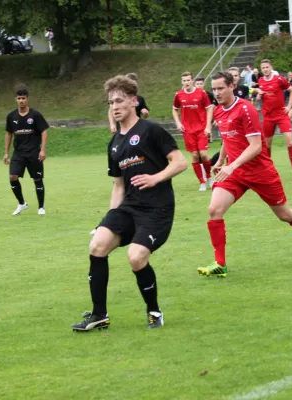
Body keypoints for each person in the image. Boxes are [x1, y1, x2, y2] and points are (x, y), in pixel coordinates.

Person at [72, 75, 188, 332]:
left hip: (157, 209)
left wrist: (155, 177)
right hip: (129, 208)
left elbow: (180, 162)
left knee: (135, 257)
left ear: (134, 101)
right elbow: (119, 186)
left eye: (120, 100)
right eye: (111, 102)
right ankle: (99, 315)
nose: (115, 106)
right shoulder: (114, 144)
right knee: (97, 245)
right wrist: (109, 218)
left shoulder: (151, 130)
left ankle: (154, 312)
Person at [196, 71, 292, 278]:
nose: (217, 93)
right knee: (214, 209)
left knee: (284, 215)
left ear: (232, 86)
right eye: (214, 89)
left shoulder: (245, 109)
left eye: (221, 88)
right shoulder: (219, 111)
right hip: (236, 172)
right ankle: (220, 264)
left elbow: (256, 146)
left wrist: (232, 165)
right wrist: (222, 161)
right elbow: (227, 137)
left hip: (260, 172)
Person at [251, 59, 292, 179]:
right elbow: (259, 94)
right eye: (263, 68)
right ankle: (268, 170)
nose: (265, 69)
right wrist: (258, 96)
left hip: (281, 115)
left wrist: (289, 106)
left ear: (271, 67)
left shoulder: (279, 79)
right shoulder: (261, 81)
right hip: (268, 116)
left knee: (290, 141)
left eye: (267, 67)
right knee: (267, 146)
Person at [4, 86, 50, 216]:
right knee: (12, 177)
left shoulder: (35, 115)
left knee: (37, 178)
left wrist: (43, 150)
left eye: (23, 98)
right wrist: (6, 153)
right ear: (16, 100)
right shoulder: (11, 116)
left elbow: (44, 132)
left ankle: (41, 207)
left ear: (27, 99)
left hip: (34, 152)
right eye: (19, 98)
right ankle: (22, 203)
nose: (21, 101)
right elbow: (8, 134)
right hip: (18, 153)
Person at [172, 71, 214, 191]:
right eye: (184, 81)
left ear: (192, 81)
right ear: (182, 82)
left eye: (188, 80)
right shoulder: (179, 95)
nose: (186, 83)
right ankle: (202, 182)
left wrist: (208, 126)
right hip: (188, 130)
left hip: (201, 129)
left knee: (204, 155)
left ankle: (209, 177)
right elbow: (175, 110)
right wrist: (178, 123)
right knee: (195, 156)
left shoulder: (202, 93)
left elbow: (209, 108)